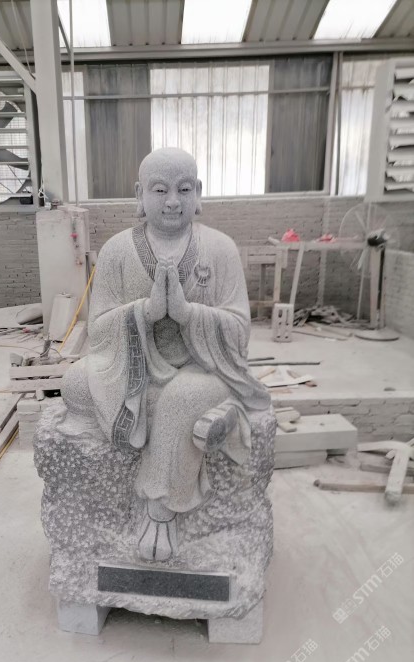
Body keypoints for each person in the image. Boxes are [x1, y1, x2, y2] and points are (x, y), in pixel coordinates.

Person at [62, 147, 270, 562]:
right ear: (140, 194)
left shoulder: (220, 249)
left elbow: (239, 330)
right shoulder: (117, 251)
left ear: (198, 193)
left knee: (180, 399)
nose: (173, 201)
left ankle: (161, 509)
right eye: (160, 190)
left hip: (201, 369)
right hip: (136, 369)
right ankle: (218, 415)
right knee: (73, 384)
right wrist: (145, 311)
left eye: (184, 189)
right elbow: (98, 330)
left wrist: (188, 314)